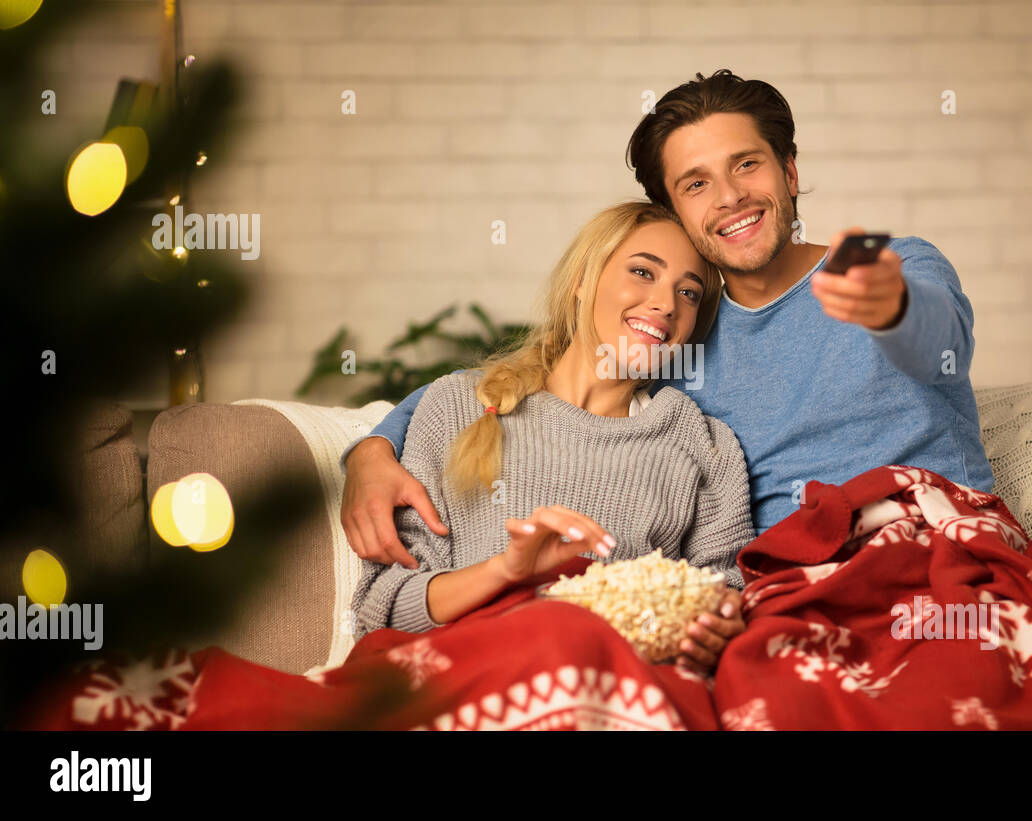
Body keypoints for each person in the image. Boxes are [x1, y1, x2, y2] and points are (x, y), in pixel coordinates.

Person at [340, 69, 995, 669]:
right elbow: (518, 384)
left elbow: (943, 340)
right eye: (697, 183)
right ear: (675, 212)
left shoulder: (892, 266)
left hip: (929, 560)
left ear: (789, 172)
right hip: (791, 604)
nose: (732, 195)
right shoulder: (681, 340)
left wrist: (892, 307)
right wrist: (371, 449)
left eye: (748, 164)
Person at [350, 199, 753, 675]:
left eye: (688, 293)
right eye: (643, 272)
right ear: (583, 281)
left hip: (614, 693)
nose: (666, 303)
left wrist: (714, 631)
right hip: (469, 679)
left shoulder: (704, 445)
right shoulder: (460, 406)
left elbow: (725, 594)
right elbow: (384, 608)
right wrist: (507, 572)